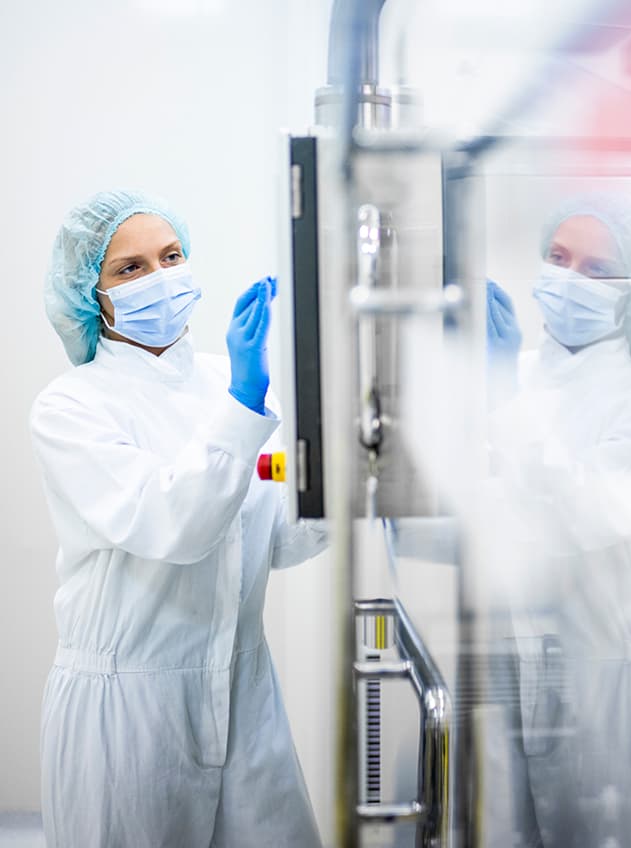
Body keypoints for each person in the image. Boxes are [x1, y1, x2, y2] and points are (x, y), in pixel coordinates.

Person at [30, 189, 326, 847]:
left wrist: (337, 480)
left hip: (246, 693)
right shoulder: (71, 408)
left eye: (171, 256)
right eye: (130, 269)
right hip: (130, 714)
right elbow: (176, 525)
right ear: (91, 294)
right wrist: (245, 403)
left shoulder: (236, 385)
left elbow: (276, 540)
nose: (160, 279)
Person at [484, 194, 631, 848]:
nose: (569, 281)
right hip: (511, 677)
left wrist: (502, 401)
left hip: (616, 687)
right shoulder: (510, 381)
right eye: (557, 258)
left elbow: (577, 516)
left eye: (597, 270)